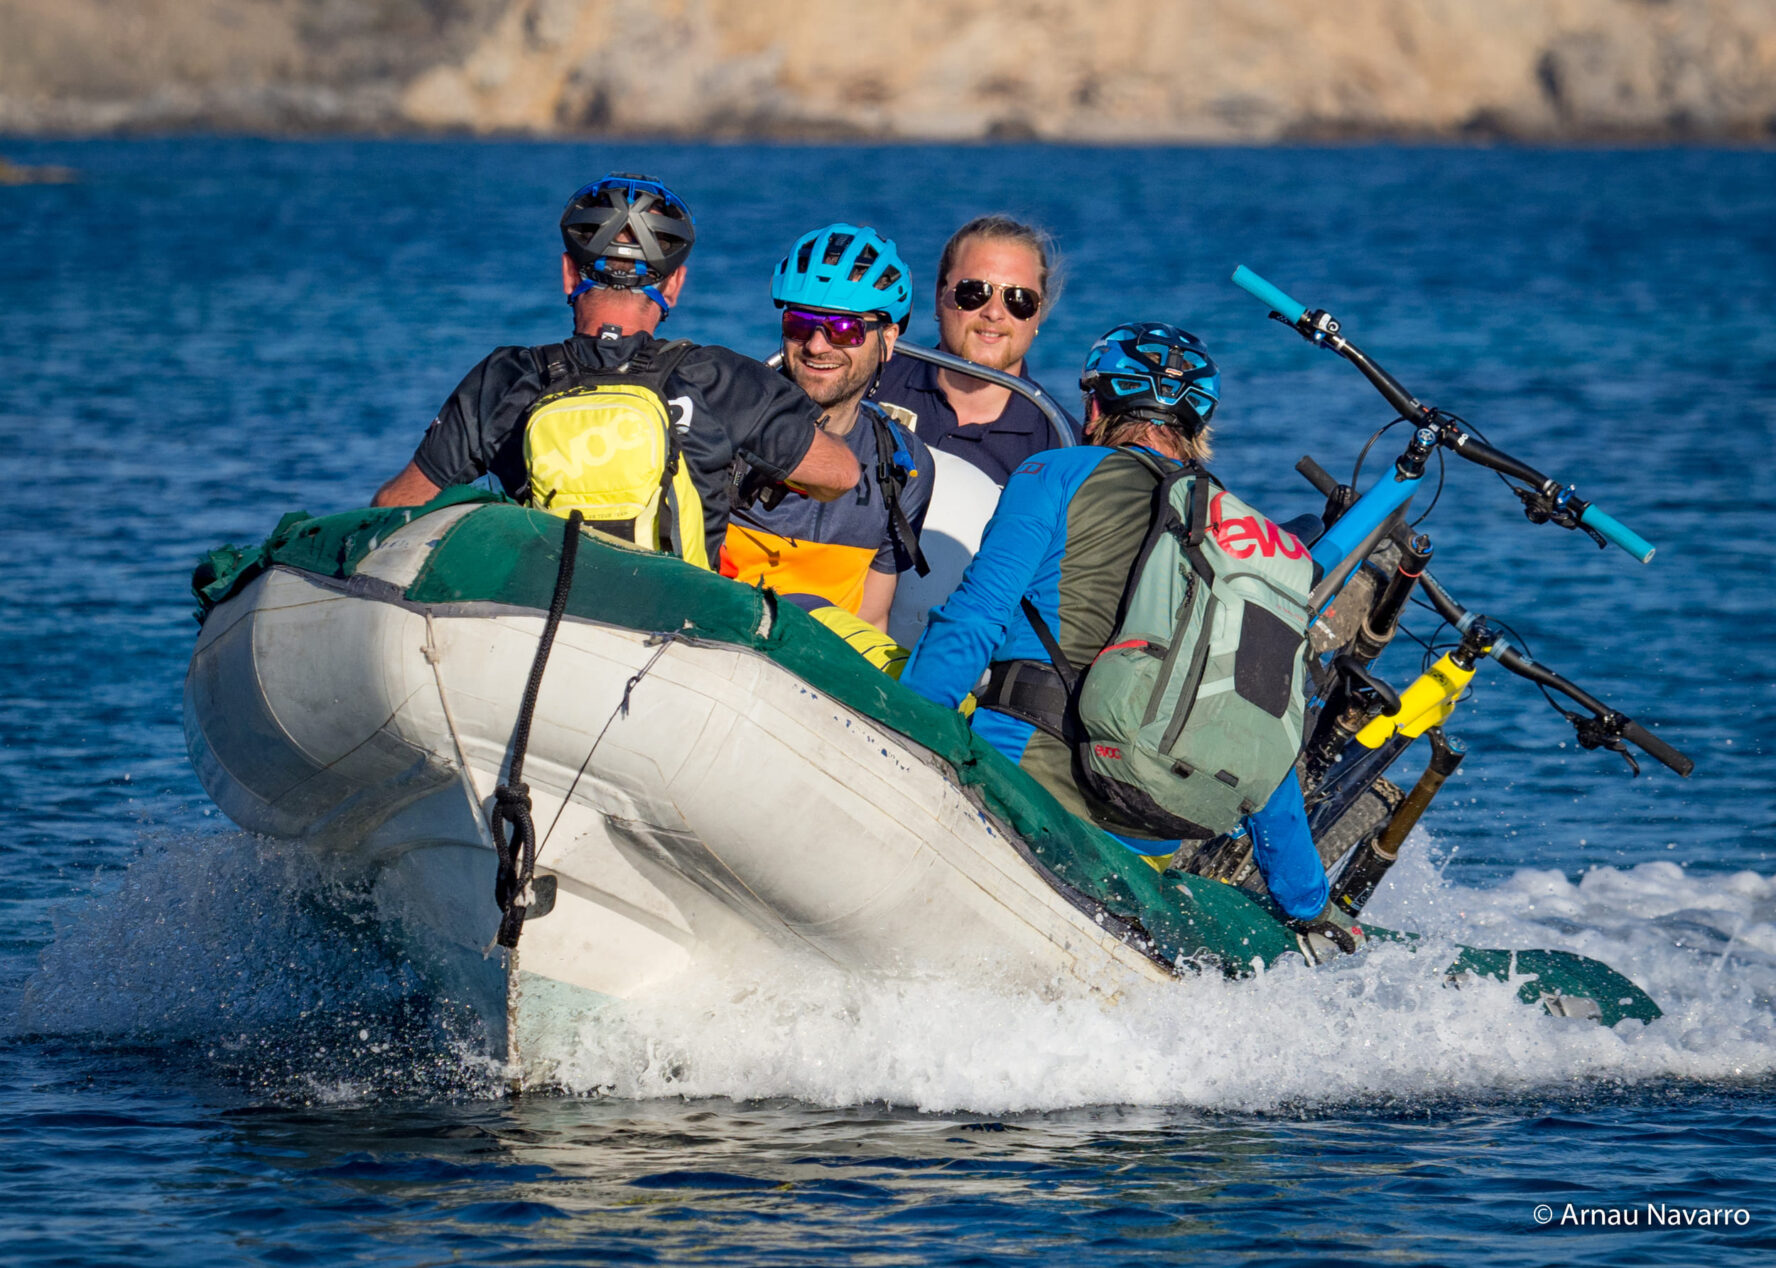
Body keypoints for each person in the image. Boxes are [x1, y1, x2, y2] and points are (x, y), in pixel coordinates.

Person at [897, 323, 1359, 952]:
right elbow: (1254, 733)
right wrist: (1306, 899)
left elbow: (974, 618)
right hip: (1146, 835)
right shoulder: (1249, 539)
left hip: (1020, 791)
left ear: (1093, 407)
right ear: (1200, 430)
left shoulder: (1052, 472)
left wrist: (903, 743)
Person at [371, 173, 860, 565]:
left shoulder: (504, 377)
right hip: (674, 633)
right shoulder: (720, 378)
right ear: (674, 287)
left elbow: (397, 506)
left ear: (568, 273)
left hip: (541, 624)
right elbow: (839, 475)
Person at [721, 224, 935, 631]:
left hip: (824, 668)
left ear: (888, 339)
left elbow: (873, 616)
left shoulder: (902, 464)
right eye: (800, 324)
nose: (817, 346)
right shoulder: (727, 430)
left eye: (844, 329)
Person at [873, 215, 1068, 486]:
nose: (994, 313)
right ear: (940, 295)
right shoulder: (869, 383)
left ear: (1038, 314)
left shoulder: (1061, 448)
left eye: (1019, 299)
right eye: (974, 292)